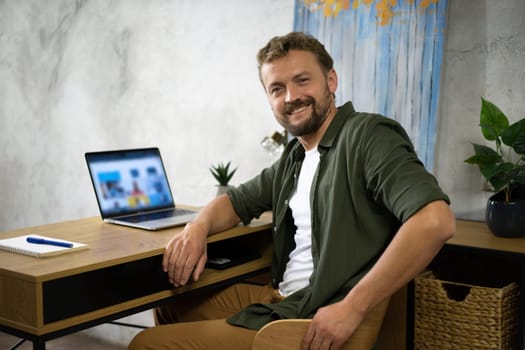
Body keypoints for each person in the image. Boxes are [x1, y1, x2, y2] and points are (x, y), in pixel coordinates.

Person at [128, 31, 455, 350]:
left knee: (146, 343)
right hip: (283, 299)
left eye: (302, 80)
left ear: (331, 81)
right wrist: (196, 228)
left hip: (318, 314)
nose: (290, 97)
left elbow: (435, 220)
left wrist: (352, 307)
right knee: (170, 306)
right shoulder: (295, 157)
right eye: (277, 88)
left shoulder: (368, 136)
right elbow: (235, 202)